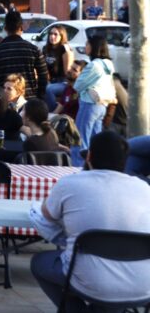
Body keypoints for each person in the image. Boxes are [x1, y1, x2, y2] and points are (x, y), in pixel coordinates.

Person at [31, 131, 150, 310]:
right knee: (109, 280)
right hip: (142, 286)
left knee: (39, 262)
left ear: (89, 156)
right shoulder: (144, 189)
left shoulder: (70, 183)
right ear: (125, 161)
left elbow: (46, 214)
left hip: (90, 281)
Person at [0, 10, 49, 100]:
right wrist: (39, 96)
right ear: (21, 28)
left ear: (5, 28)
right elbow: (43, 75)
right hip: (29, 100)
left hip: (4, 102)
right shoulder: (33, 50)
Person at [73, 36, 115, 151]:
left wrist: (86, 89)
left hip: (89, 104)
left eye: (87, 44)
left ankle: (79, 165)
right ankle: (94, 164)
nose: (85, 47)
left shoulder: (93, 65)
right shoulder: (108, 64)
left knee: (80, 139)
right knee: (95, 141)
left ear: (94, 47)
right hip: (102, 105)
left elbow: (77, 85)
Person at [43, 26, 74, 109]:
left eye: (56, 34)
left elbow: (67, 72)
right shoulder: (46, 49)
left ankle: (53, 113)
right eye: (50, 34)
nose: (52, 36)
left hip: (63, 82)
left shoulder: (64, 49)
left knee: (48, 89)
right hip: (50, 80)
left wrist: (68, 53)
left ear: (62, 36)